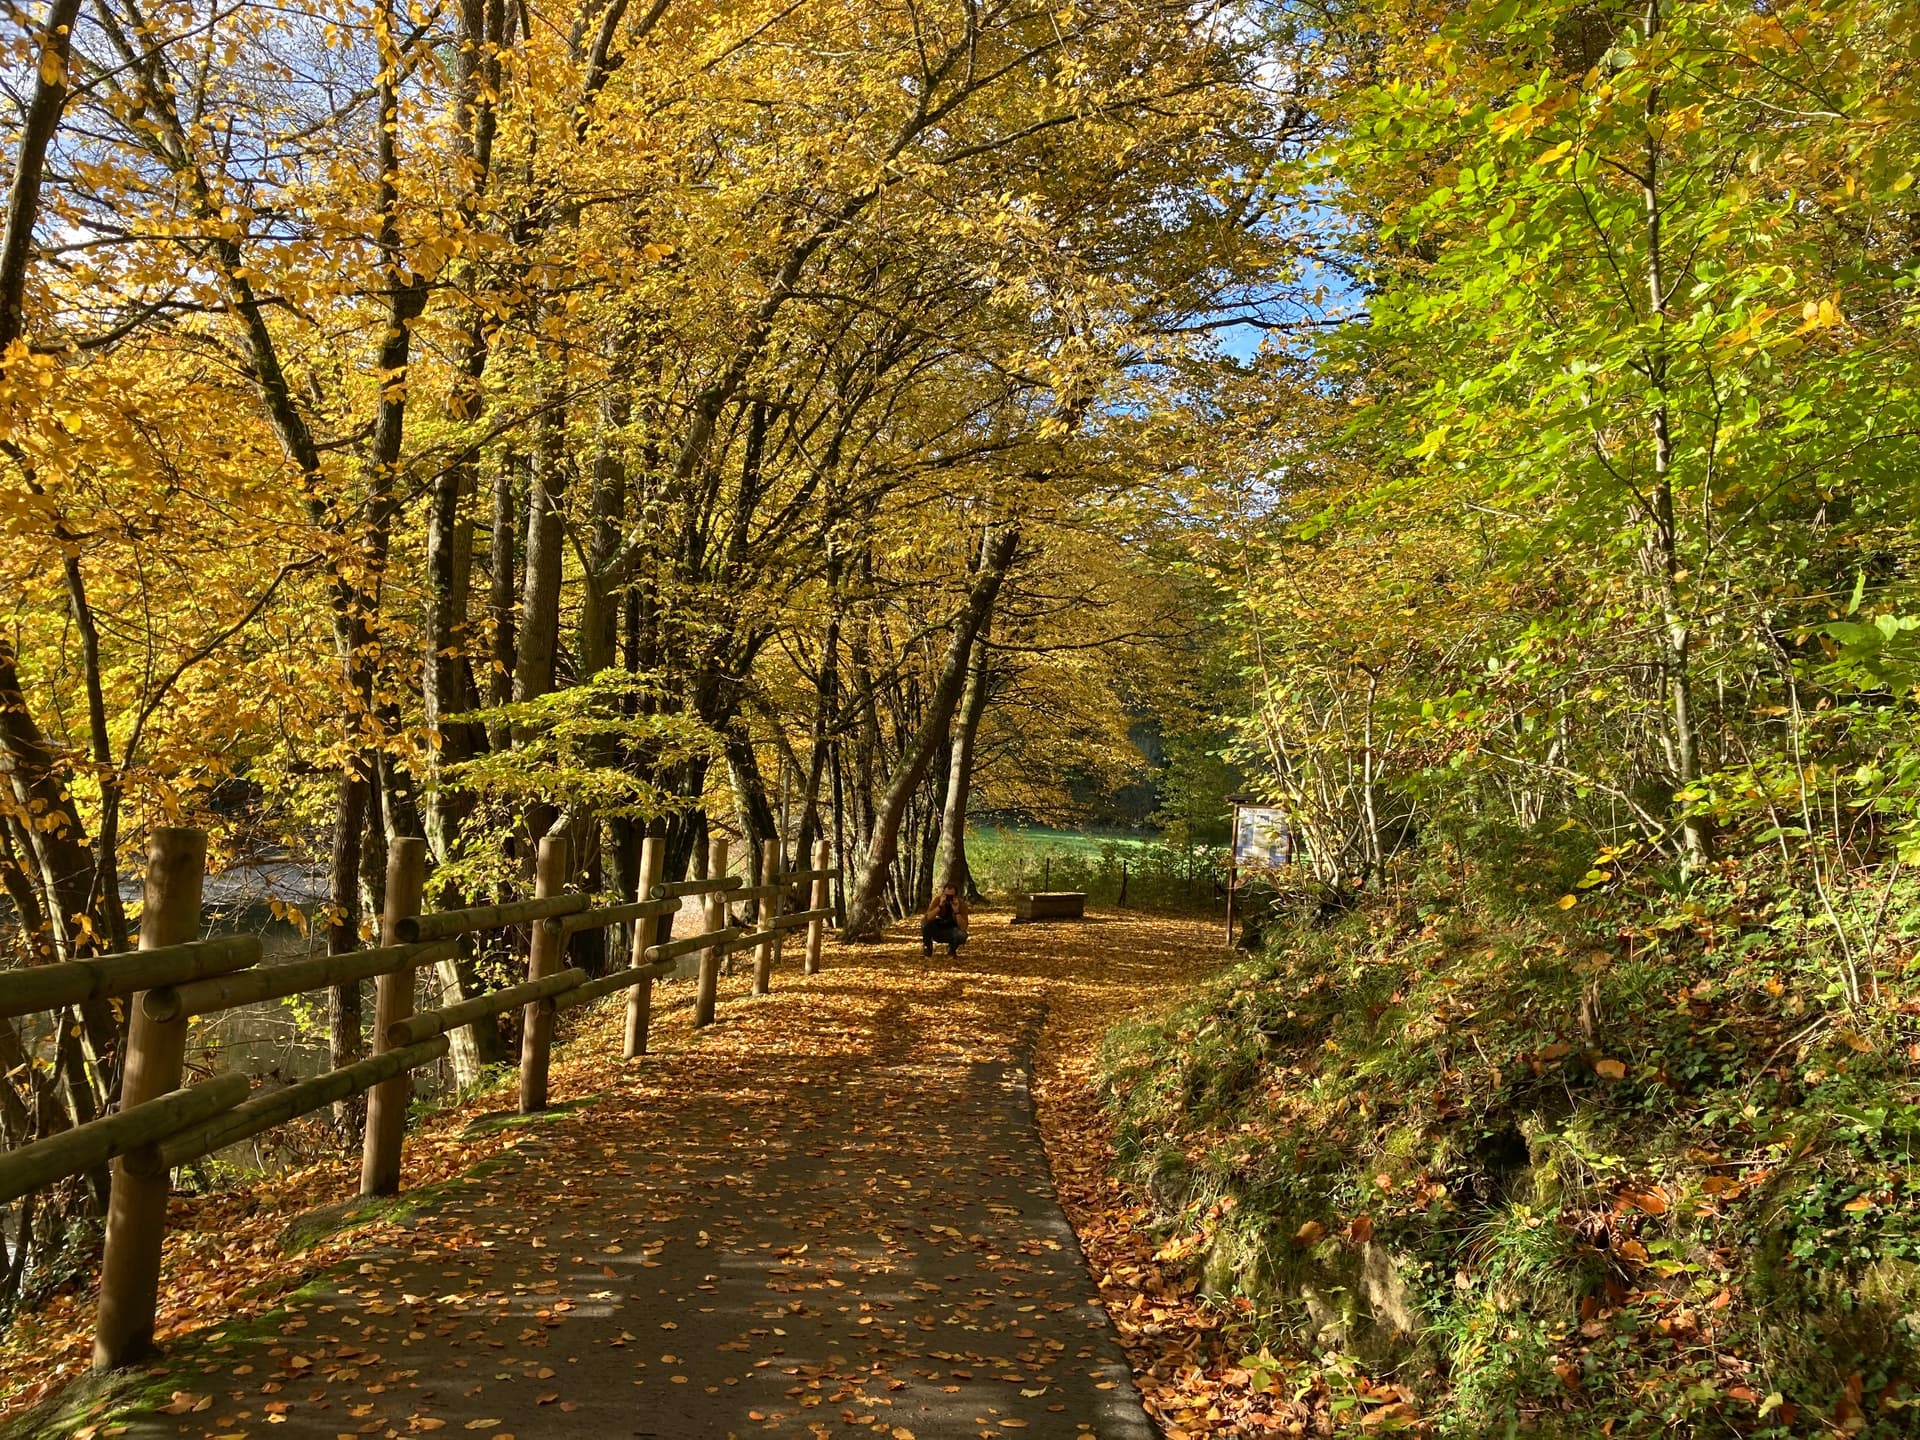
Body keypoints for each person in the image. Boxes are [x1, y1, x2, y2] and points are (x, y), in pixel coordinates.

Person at [922, 885, 969, 957]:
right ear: (943, 894)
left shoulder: (961, 904)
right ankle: (927, 948)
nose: (948, 898)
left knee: (962, 935)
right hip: (937, 929)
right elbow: (927, 918)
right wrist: (940, 906)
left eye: (951, 896)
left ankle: (952, 949)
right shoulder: (937, 900)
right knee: (924, 923)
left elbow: (963, 927)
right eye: (947, 895)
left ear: (955, 896)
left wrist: (956, 911)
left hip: (952, 930)